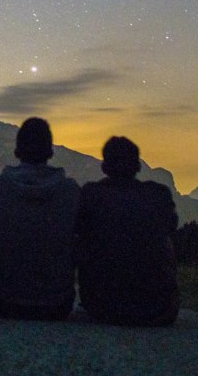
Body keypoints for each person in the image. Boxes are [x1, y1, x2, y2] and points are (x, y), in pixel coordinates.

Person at [75, 136, 179, 326]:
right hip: (158, 308)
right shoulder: (159, 196)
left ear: (104, 167)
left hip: (101, 306)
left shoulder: (91, 195)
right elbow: (171, 226)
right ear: (138, 166)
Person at [0, 117, 80, 320]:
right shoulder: (71, 191)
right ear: (50, 152)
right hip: (57, 304)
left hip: (5, 302)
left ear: (17, 151)